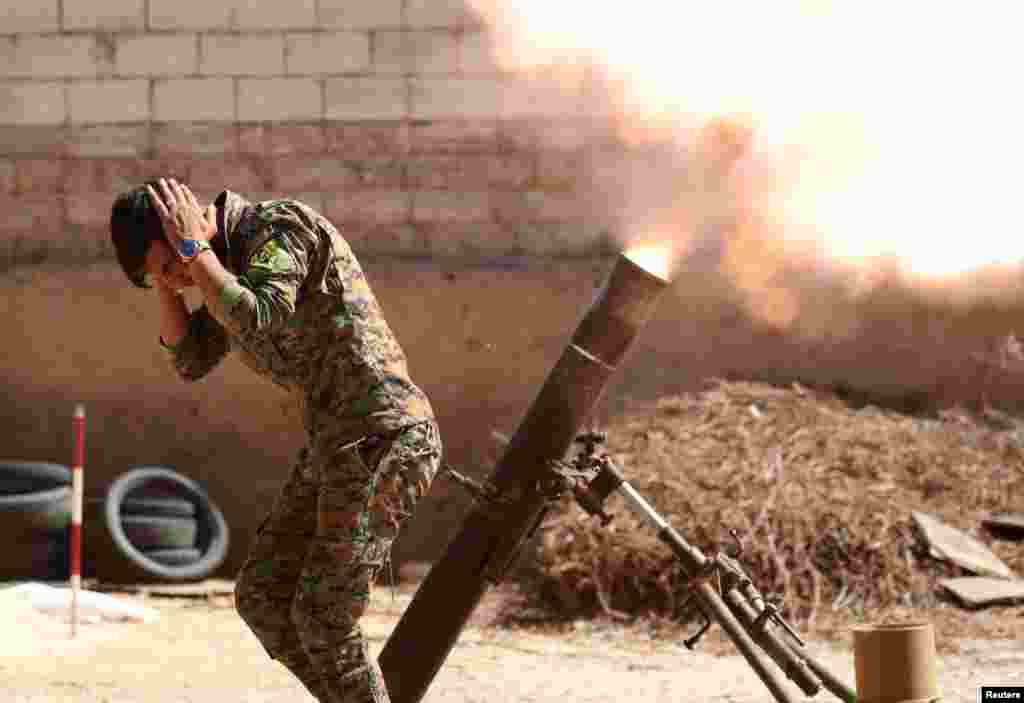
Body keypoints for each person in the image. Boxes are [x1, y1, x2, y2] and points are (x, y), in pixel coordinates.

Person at [109, 178, 442, 703]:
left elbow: (259, 315)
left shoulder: (279, 229)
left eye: (169, 264)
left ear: (190, 222)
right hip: (335, 446)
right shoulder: (216, 270)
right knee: (264, 595)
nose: (177, 279)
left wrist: (193, 253)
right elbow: (191, 359)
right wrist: (171, 282)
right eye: (160, 278)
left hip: (384, 435)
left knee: (323, 617)